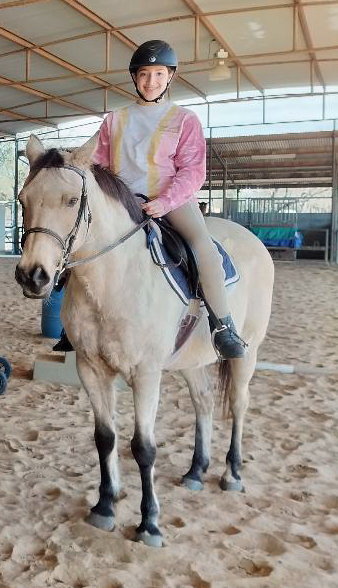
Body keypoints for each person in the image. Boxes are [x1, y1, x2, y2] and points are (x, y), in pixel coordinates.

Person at [93, 40, 246, 358]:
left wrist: (164, 202)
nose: (151, 82)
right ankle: (74, 323)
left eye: (159, 74)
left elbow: (192, 171)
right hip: (122, 201)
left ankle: (223, 325)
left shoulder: (184, 119)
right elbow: (99, 162)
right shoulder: (114, 120)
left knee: (203, 246)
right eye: (145, 74)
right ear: (135, 77)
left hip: (172, 201)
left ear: (170, 77)